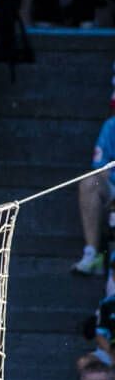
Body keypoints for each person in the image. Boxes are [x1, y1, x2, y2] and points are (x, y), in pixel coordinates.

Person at [72, 114, 115, 278]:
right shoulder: (111, 126)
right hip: (113, 189)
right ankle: (92, 254)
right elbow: (101, 169)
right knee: (89, 182)